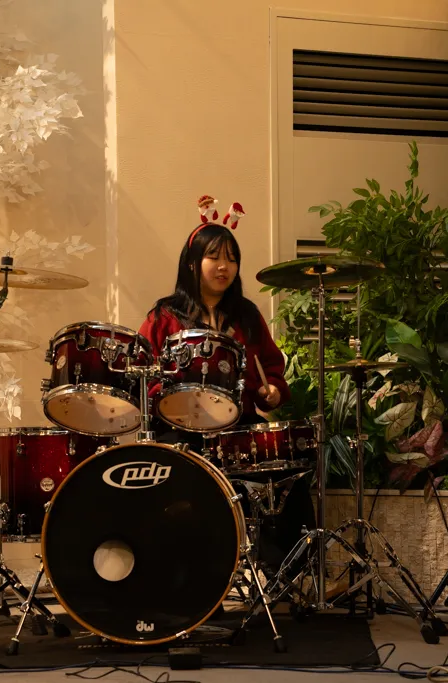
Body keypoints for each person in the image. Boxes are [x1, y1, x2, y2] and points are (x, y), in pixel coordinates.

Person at [137, 196, 315, 576]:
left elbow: (272, 367)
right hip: (180, 430)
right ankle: (184, 575)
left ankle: (287, 575)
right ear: (192, 263)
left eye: (232, 259)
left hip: (238, 427)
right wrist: (161, 398)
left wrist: (273, 391)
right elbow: (142, 372)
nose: (224, 267)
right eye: (214, 257)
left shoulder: (246, 315)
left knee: (289, 471)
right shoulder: (165, 315)